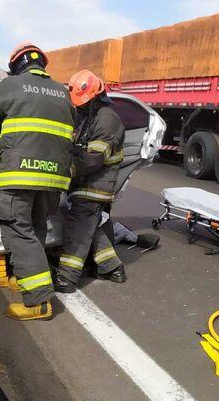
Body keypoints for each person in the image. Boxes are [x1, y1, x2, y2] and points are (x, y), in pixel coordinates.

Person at [0, 42, 75, 321]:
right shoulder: (63, 93)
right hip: (53, 178)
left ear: (17, 65)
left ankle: (39, 301)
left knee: (18, 231)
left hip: (19, 174)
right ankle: (27, 279)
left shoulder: (9, 86)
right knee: (36, 228)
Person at [55, 70, 126, 293]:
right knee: (90, 227)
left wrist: (65, 171)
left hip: (95, 185)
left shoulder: (107, 119)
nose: (80, 108)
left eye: (83, 104)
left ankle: (67, 278)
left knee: (77, 229)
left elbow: (93, 158)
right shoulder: (90, 115)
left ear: (95, 97)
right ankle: (112, 268)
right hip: (89, 183)